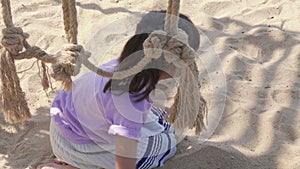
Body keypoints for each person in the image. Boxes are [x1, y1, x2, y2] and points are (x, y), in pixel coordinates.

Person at [38, 10, 200, 169]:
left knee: (163, 119)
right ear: (173, 61)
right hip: (80, 148)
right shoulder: (130, 100)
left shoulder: (126, 66)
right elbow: (125, 161)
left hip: (62, 129)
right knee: (167, 143)